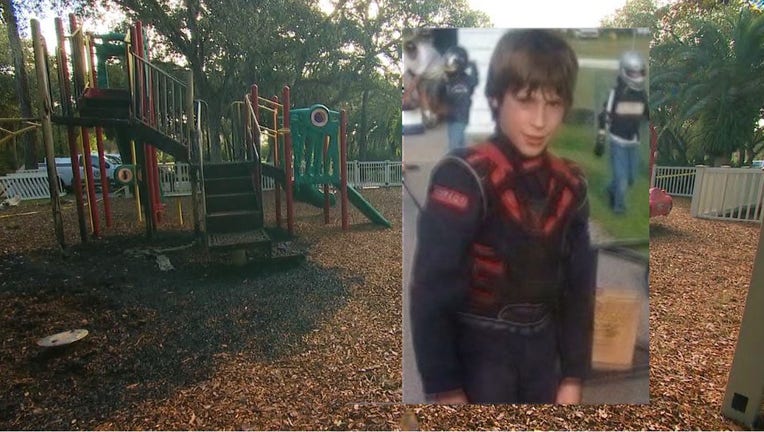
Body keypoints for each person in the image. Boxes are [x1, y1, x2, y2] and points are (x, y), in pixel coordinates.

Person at [409, 29, 597, 405]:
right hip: (480, 352)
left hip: (544, 355)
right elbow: (430, 290)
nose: (540, 121)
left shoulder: (571, 185)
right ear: (497, 98)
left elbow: (579, 290)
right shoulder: (463, 176)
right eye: (526, 101)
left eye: (554, 104)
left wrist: (573, 374)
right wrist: (444, 386)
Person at [594, 51, 649, 214]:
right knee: (621, 178)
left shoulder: (642, 95)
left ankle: (612, 189)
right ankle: (619, 208)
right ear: (625, 72)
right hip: (617, 141)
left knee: (631, 179)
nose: (636, 75)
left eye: (639, 72)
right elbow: (604, 115)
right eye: (633, 72)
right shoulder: (616, 92)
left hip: (633, 142)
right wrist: (601, 139)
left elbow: (647, 114)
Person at [402, 29, 445, 128]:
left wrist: (407, 94)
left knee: (424, 91)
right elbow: (404, 73)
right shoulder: (406, 54)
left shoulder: (426, 53)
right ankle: (414, 102)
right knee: (408, 79)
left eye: (414, 53)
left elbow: (418, 77)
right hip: (418, 73)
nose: (412, 56)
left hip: (435, 74)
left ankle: (429, 116)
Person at [439, 45, 479, 151]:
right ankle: (464, 160)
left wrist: (473, 67)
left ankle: (454, 163)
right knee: (459, 143)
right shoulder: (449, 81)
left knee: (454, 146)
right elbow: (440, 94)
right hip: (451, 117)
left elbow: (475, 81)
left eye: (451, 65)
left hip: (460, 118)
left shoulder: (467, 81)